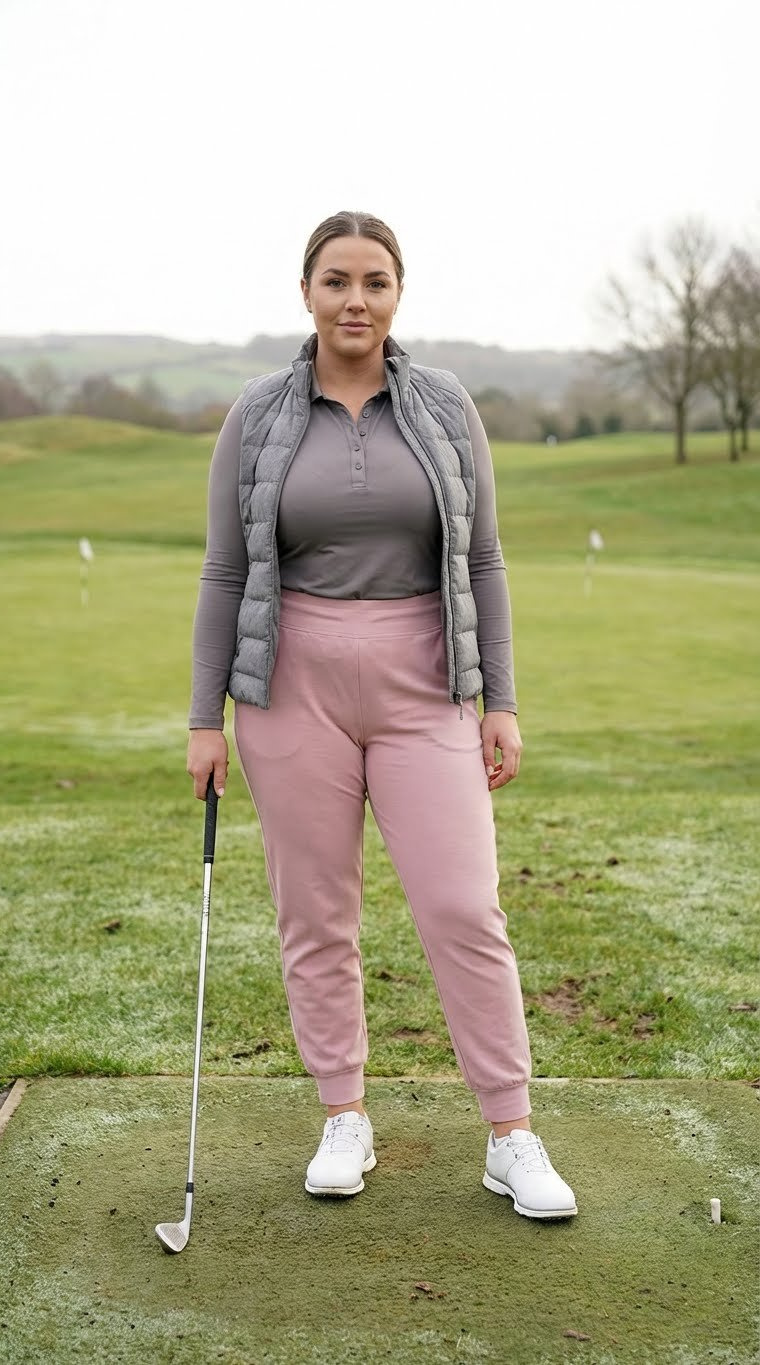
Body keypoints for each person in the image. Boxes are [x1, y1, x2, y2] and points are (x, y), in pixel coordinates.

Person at [186, 210, 577, 1220]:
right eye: (335, 281)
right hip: (291, 688)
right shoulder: (260, 411)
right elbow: (227, 568)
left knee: (462, 908)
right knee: (317, 912)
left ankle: (510, 1133)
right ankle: (342, 1115)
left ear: (398, 293)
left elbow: (483, 557)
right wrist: (202, 716)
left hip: (425, 683)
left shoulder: (445, 405)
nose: (354, 300)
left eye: (374, 281)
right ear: (306, 292)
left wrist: (504, 701)